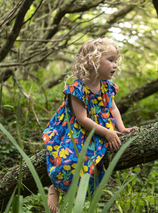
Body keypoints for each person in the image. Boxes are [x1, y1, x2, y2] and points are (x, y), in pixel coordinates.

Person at [42, 37, 137, 213]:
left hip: (97, 127)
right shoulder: (77, 88)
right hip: (76, 128)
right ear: (93, 61)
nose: (115, 65)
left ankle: (75, 194)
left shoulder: (107, 87)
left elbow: (113, 108)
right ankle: (54, 187)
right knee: (71, 158)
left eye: (115, 61)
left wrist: (121, 128)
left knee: (93, 162)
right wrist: (108, 133)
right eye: (110, 60)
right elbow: (81, 119)